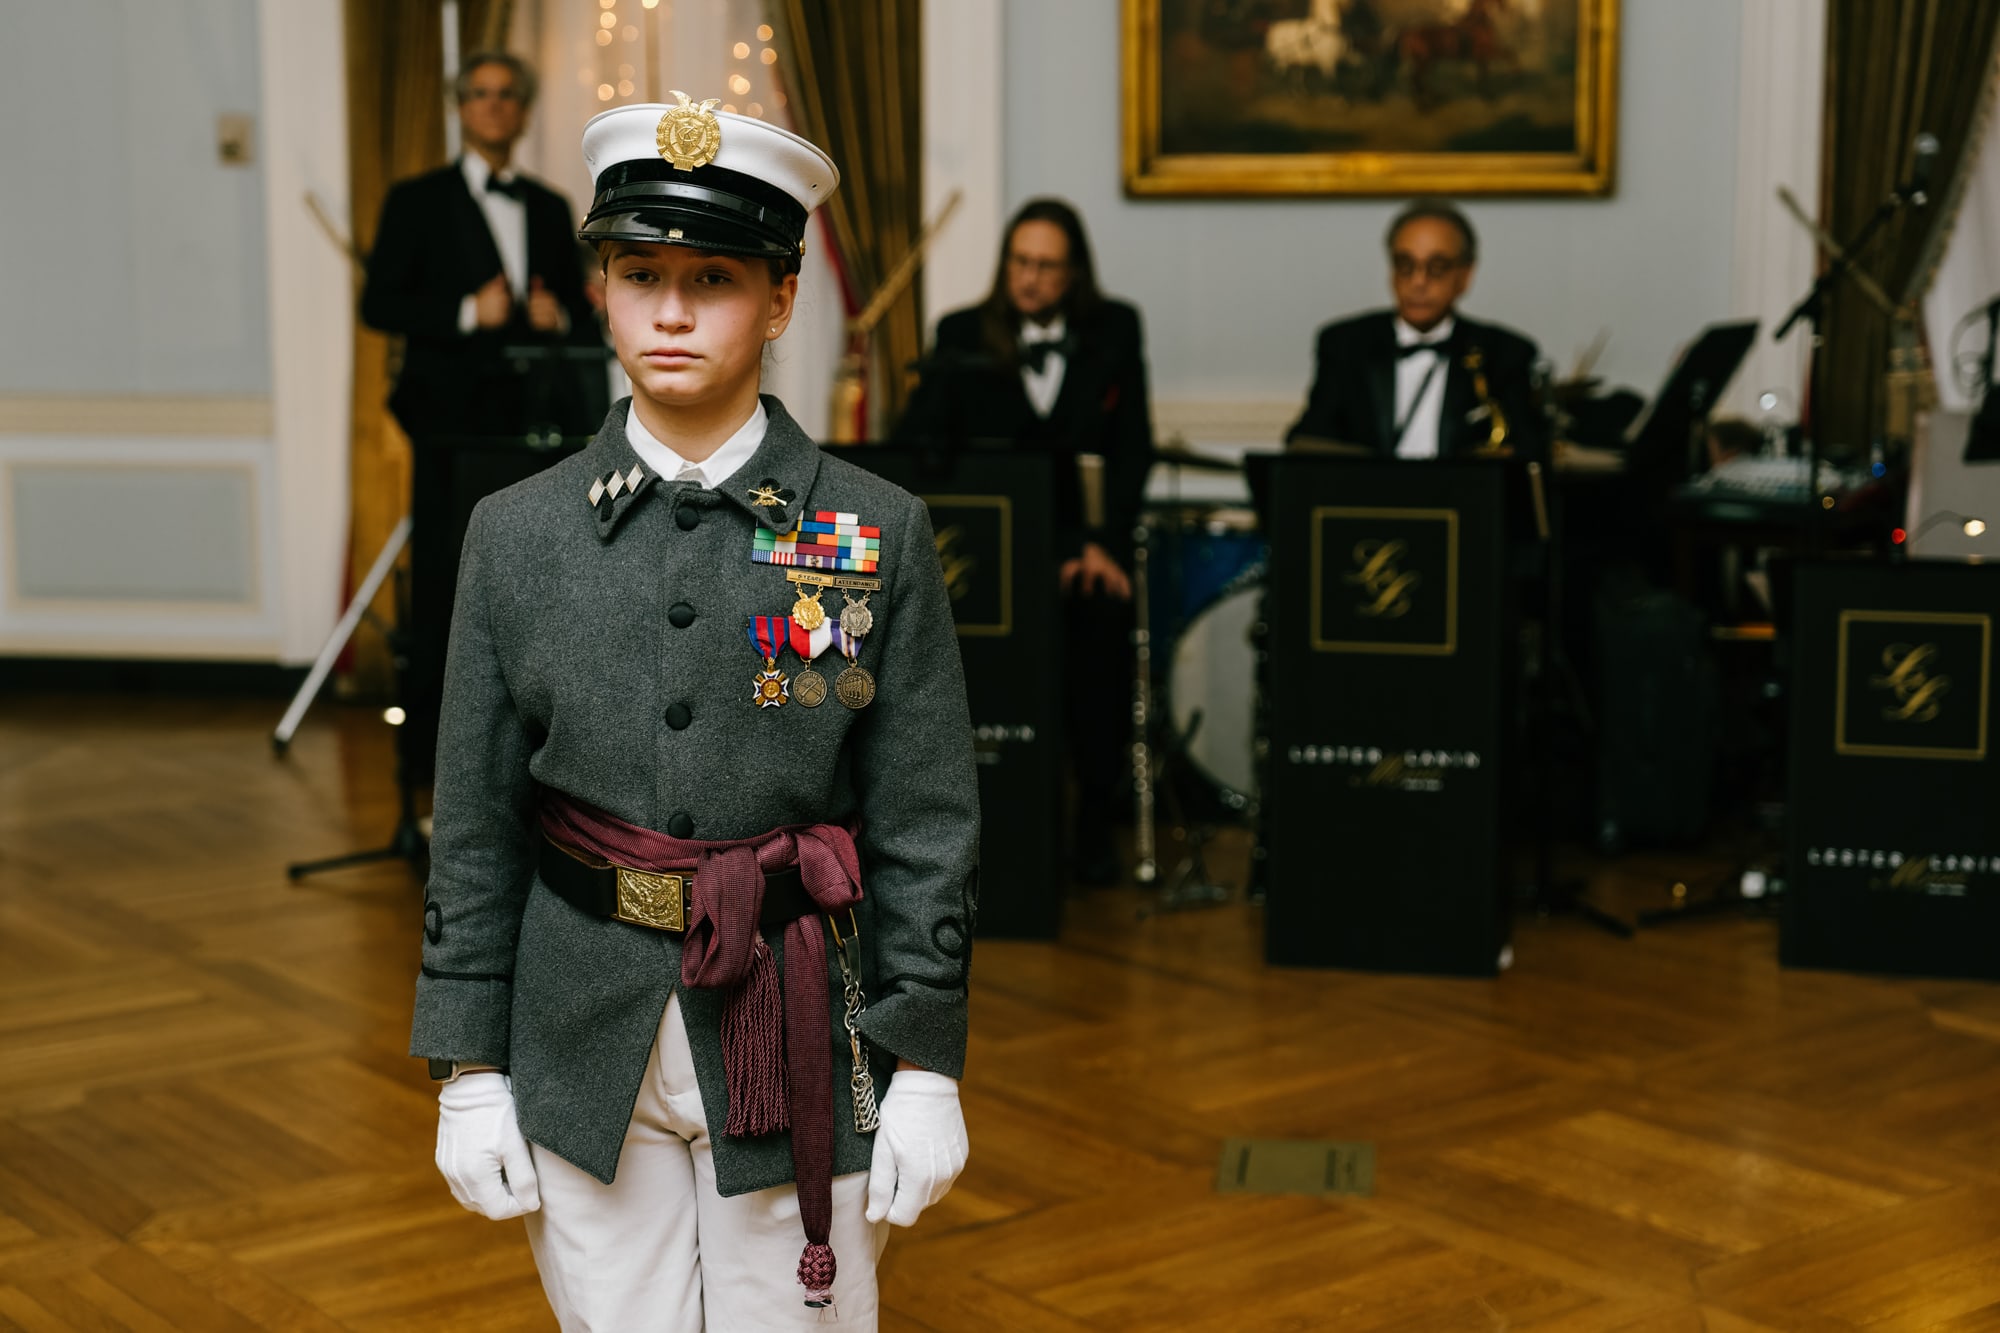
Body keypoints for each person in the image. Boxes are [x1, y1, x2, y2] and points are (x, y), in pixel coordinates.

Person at [410, 95, 979, 1331]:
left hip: (796, 1023)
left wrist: (926, 1055)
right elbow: (475, 818)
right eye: (639, 275)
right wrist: (465, 1063)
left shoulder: (873, 529)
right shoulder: (515, 535)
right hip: (576, 1027)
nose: (670, 312)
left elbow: (925, 815)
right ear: (600, 291)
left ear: (779, 300)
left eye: (712, 278)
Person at [361, 52, 610, 790]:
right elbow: (378, 304)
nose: (494, 106)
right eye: (479, 94)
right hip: (450, 430)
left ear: (523, 111)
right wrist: (470, 312)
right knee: (447, 585)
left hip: (533, 430)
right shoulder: (416, 200)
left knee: (539, 586)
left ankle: (542, 767)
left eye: (507, 95)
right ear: (460, 107)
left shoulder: (550, 205)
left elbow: (576, 318)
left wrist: (558, 317)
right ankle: (436, 769)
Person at [894, 198, 1154, 885]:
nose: (1030, 278)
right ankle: (978, 829)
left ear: (1074, 274)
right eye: (1020, 262)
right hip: (996, 557)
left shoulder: (1115, 330)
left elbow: (1133, 449)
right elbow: (918, 444)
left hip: (1083, 549)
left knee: (1099, 625)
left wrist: (1100, 544)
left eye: (1046, 266)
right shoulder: (961, 331)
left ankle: (1093, 824)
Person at [1287, 198, 1544, 461]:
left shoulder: (1506, 353)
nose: (1418, 281)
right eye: (1405, 265)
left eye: (1437, 268)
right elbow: (1309, 440)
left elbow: (1527, 452)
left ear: (1465, 275)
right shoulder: (1344, 344)